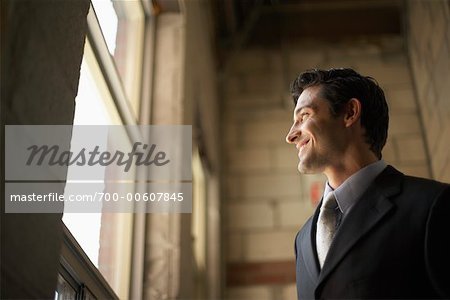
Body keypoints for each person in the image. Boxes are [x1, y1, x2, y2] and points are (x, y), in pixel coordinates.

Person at [285, 68, 450, 299]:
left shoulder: (433, 205)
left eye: (303, 117)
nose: (291, 135)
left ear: (350, 113)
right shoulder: (302, 241)